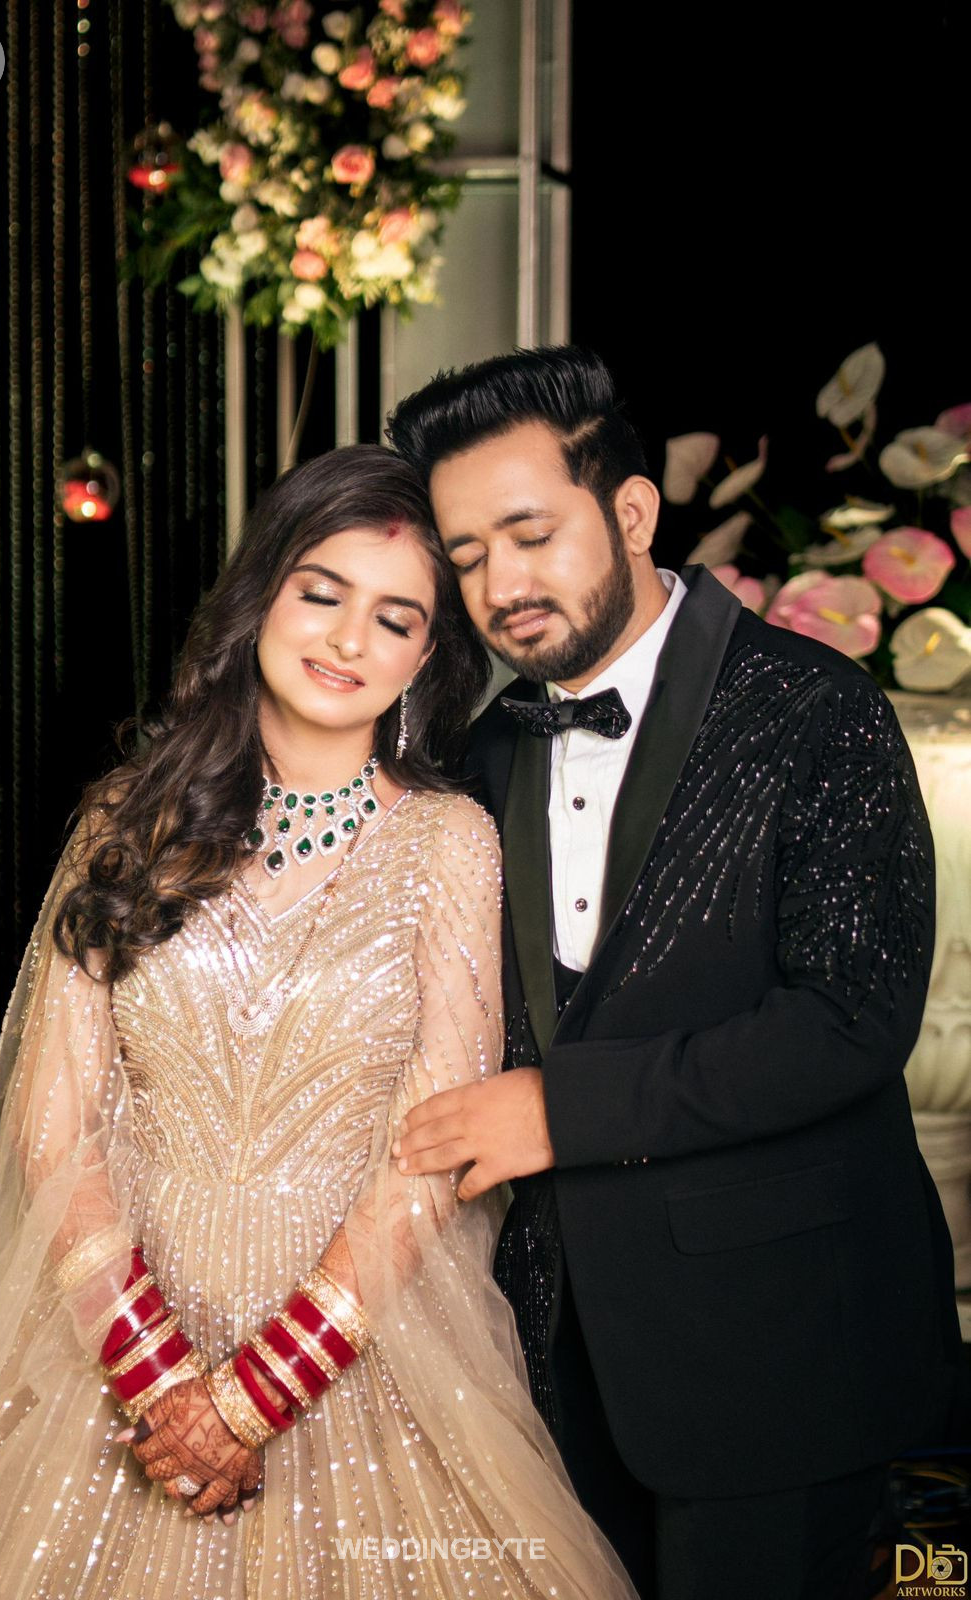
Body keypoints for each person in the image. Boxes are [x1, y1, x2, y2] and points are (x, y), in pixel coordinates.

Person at [0, 445, 638, 1600]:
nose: (349, 641)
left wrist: (251, 1397)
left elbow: (431, 1146)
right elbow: (53, 1126)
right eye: (321, 593)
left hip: (364, 1340)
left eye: (394, 618)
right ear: (260, 597)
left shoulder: (449, 844)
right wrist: (162, 1382)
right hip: (118, 1334)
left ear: (427, 654)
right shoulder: (127, 823)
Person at [385, 348, 963, 1600]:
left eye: (531, 535)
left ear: (633, 511)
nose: (500, 585)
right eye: (467, 556)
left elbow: (850, 1018)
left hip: (780, 1352)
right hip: (545, 1357)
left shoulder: (816, 708)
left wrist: (562, 1108)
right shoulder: (483, 754)